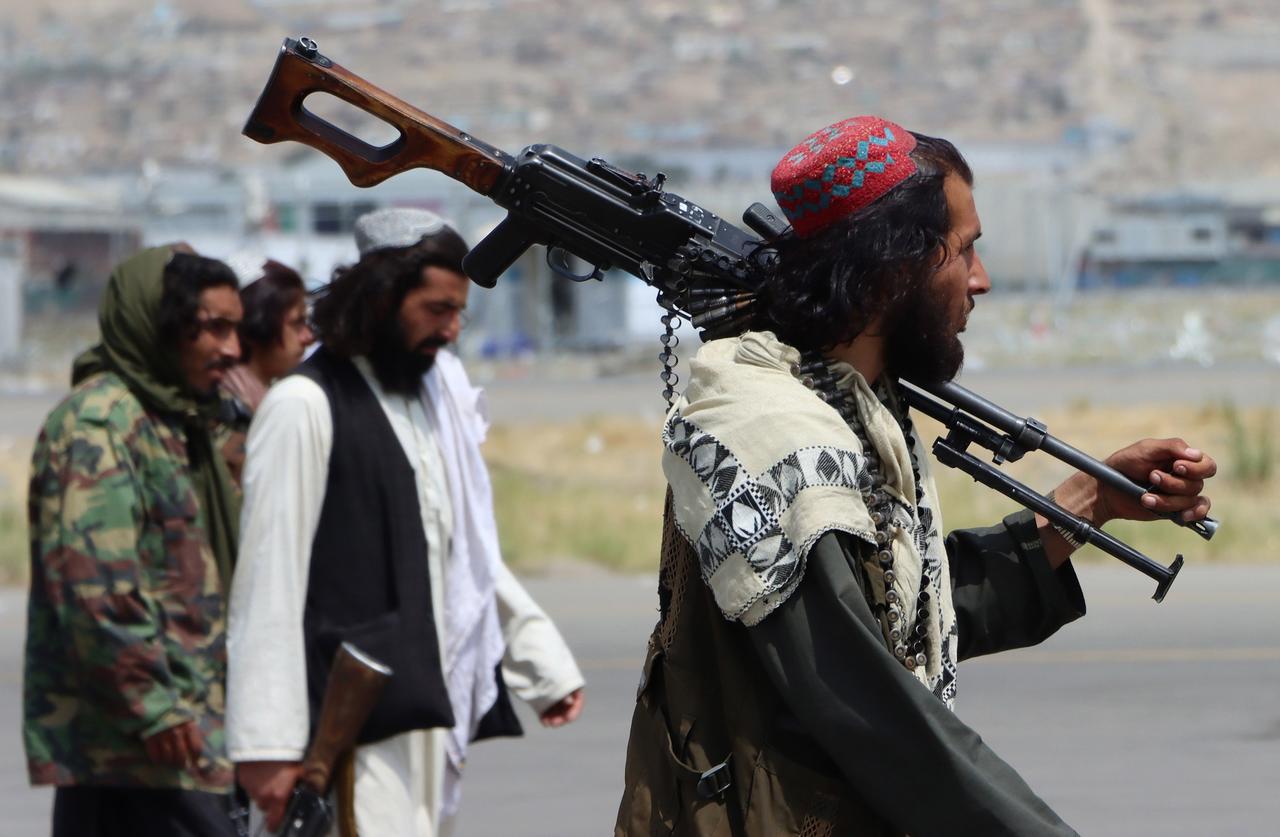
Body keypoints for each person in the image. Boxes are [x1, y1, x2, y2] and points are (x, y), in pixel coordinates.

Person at [614, 116, 1217, 836]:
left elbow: (908, 610)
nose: (981, 280)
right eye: (964, 251)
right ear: (895, 266)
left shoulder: (854, 404)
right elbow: (871, 704)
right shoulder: (775, 444)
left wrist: (1094, 499)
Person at [227, 208, 586, 835]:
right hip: (341, 736)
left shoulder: (420, 404)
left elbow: (460, 548)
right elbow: (267, 582)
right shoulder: (303, 405)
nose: (452, 330)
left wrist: (536, 656)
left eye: (459, 313)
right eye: (437, 309)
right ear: (381, 297)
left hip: (416, 717)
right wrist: (266, 746)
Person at [24, 246, 244, 836]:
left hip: (182, 738)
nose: (232, 349)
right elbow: (96, 588)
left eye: (236, 329)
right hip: (134, 752)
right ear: (161, 323)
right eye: (214, 328)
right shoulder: (101, 424)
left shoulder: (178, 421)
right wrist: (154, 709)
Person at [217, 258, 315, 485]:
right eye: (296, 324)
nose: (308, 337)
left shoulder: (267, 398)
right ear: (257, 326)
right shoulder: (225, 413)